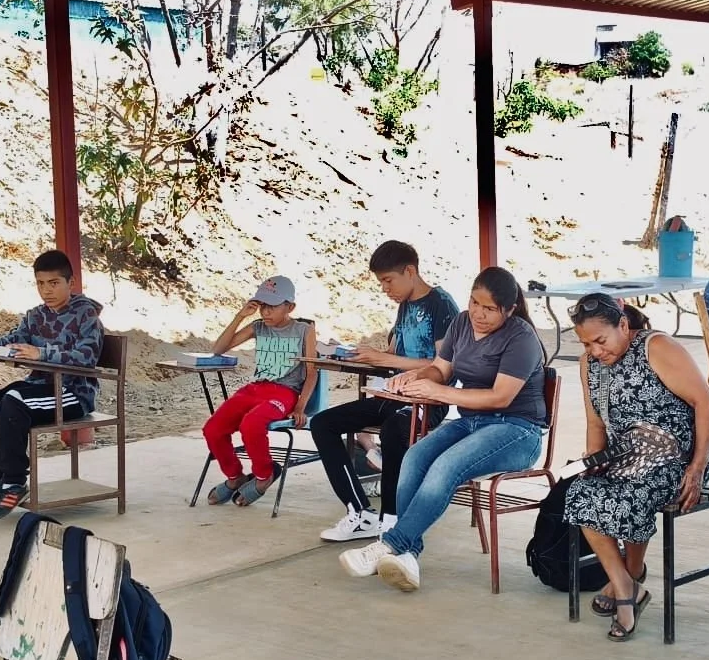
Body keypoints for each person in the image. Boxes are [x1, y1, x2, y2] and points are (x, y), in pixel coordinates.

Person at [339, 267, 547, 592]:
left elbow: (500, 396)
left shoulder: (521, 337)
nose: (478, 313)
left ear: (509, 309)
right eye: (474, 302)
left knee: (446, 467)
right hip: (473, 422)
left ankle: (389, 545)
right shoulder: (462, 322)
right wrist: (419, 378)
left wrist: (440, 393)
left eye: (489, 309)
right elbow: (441, 369)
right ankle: (407, 555)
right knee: (415, 457)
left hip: (518, 430)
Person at [564, 294, 709, 640]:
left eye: (600, 341)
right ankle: (625, 585)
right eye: (586, 343)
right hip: (625, 456)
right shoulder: (589, 364)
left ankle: (629, 579)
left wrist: (697, 466)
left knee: (632, 492)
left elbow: (704, 400)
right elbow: (596, 424)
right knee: (580, 492)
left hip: (677, 457)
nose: (595, 351)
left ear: (623, 325)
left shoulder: (656, 347)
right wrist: (592, 461)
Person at [313, 241, 460, 544]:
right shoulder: (405, 305)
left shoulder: (441, 304)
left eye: (388, 280)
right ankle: (359, 512)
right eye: (381, 282)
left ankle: (390, 520)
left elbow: (443, 364)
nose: (385, 289)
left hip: (427, 400)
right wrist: (366, 355)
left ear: (410, 271)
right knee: (322, 423)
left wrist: (385, 359)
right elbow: (396, 355)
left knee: (394, 429)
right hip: (392, 394)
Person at [0, 249, 104, 524]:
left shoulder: (86, 315)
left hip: (73, 395)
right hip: (39, 388)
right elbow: (12, 340)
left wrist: (42, 354)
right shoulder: (36, 316)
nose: (46, 291)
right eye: (40, 283)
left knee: (13, 400)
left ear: (71, 283)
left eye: (54, 283)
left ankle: (14, 482)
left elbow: (87, 358)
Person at [201, 276, 318, 508]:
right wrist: (240, 316)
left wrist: (300, 406)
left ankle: (264, 475)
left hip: (285, 392)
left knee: (251, 424)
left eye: (272, 306)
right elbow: (218, 348)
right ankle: (235, 477)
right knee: (212, 429)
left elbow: (312, 371)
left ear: (290, 307)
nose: (265, 311)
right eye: (262, 305)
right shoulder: (258, 327)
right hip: (255, 388)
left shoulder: (304, 330)